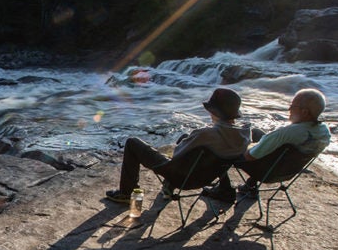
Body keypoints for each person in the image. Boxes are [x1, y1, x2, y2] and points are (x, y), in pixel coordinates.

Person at [104, 87, 252, 204]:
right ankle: (225, 189)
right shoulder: (244, 135)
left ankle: (126, 193)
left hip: (180, 177)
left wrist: (183, 143)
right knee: (206, 148)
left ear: (214, 112)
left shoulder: (205, 134)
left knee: (132, 142)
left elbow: (177, 155)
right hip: (206, 177)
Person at [205, 87, 331, 201]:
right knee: (255, 132)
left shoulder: (287, 133)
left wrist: (240, 145)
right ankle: (250, 186)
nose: (289, 109)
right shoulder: (324, 131)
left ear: (304, 112)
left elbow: (250, 156)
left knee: (221, 148)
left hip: (264, 171)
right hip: (286, 170)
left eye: (293, 106)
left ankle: (224, 190)